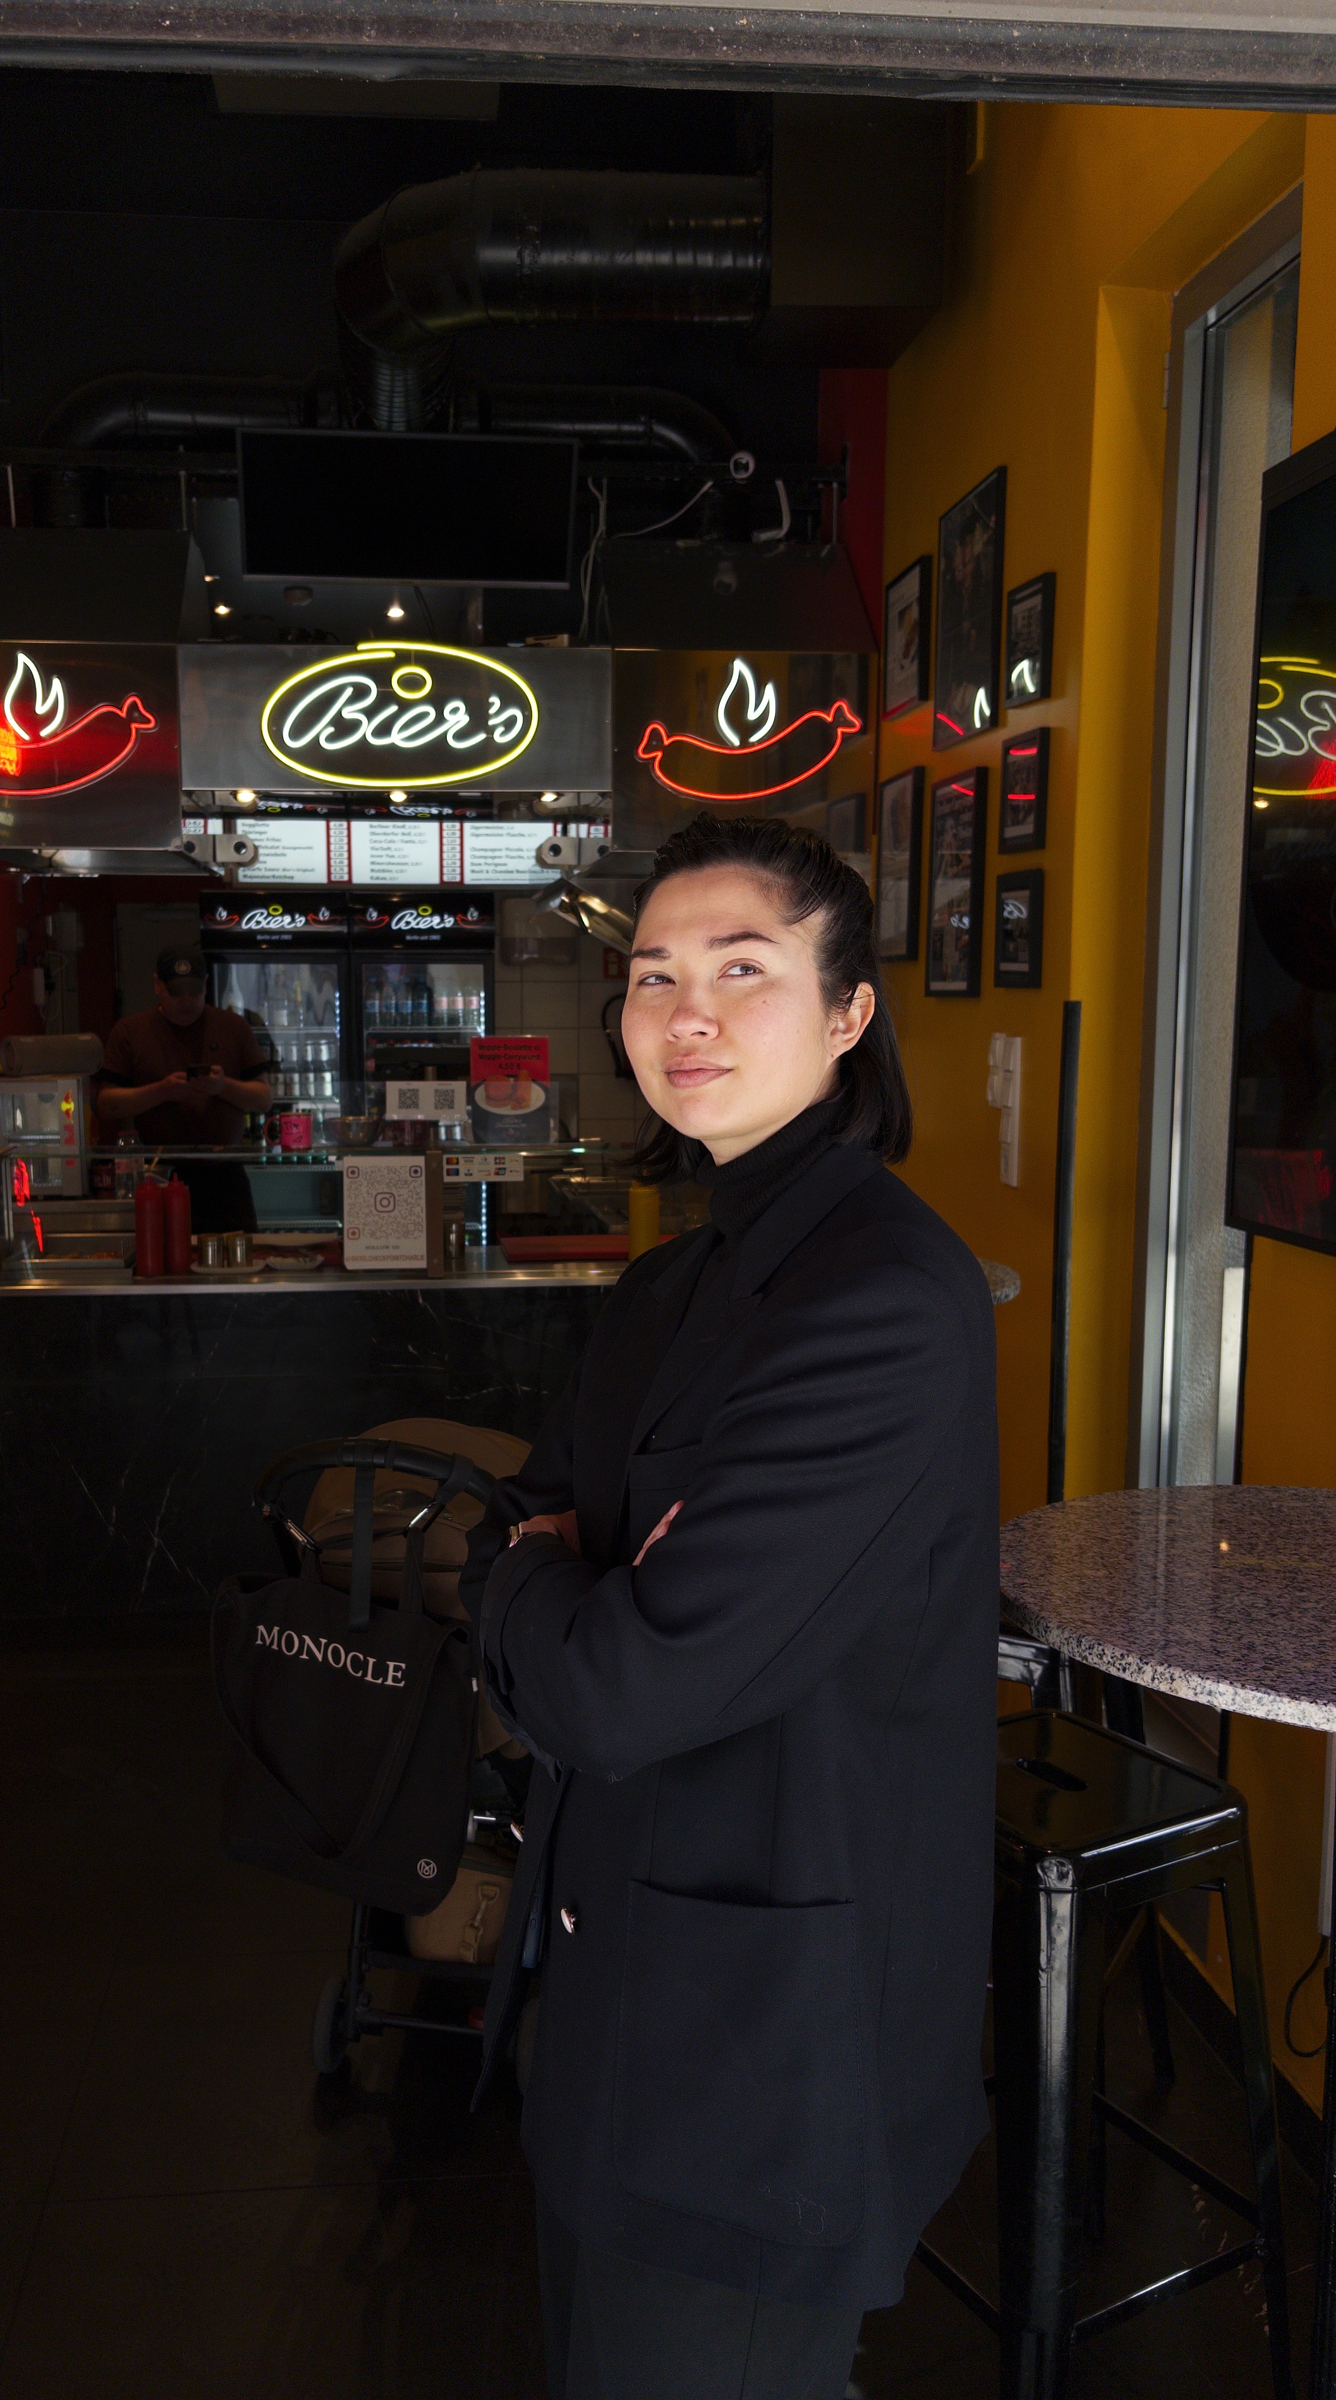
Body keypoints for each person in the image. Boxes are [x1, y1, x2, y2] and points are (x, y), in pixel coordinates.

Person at [461, 813, 1000, 2400]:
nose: (683, 1014)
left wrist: (541, 1582)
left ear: (847, 1016)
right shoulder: (669, 1282)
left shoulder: (886, 1301)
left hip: (763, 2053)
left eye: (742, 971)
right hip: (611, 1986)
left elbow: (617, 1685)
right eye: (652, 975)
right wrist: (556, 1574)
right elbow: (530, 1528)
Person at [97, 945, 272, 1232]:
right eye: (176, 992)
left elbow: (264, 1099)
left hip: (225, 1177)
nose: (187, 1000)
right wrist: (162, 1091)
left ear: (206, 984)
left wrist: (221, 1086)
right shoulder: (130, 1031)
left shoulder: (234, 1026)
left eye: (194, 991)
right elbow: (106, 1104)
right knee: (164, 1268)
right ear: (157, 985)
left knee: (236, 1270)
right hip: (159, 1175)